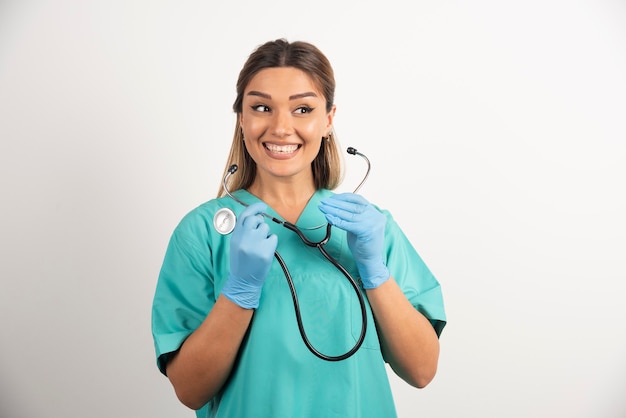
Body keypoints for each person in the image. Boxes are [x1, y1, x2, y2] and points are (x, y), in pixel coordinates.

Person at [151, 38, 446, 418]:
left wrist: (376, 273)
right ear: (242, 118)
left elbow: (421, 370)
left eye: (302, 109)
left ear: (328, 120)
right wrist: (238, 293)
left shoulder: (370, 229)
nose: (281, 127)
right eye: (261, 107)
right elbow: (190, 390)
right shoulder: (203, 232)